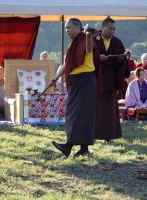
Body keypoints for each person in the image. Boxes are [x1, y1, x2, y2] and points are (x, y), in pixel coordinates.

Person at [51, 18, 100, 157]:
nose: (67, 30)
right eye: (66, 28)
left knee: (79, 113)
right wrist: (55, 77)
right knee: (75, 112)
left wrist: (89, 36)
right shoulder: (72, 45)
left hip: (85, 80)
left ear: (78, 27)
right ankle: (83, 149)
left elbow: (89, 49)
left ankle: (68, 146)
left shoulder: (86, 38)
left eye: (70, 27)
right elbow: (66, 63)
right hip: (74, 81)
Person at [93, 17, 126, 143]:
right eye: (110, 29)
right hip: (96, 79)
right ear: (102, 27)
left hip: (110, 80)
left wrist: (121, 59)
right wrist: (97, 58)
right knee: (95, 109)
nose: (112, 31)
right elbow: (86, 56)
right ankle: (93, 134)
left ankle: (109, 135)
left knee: (109, 109)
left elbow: (123, 60)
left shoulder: (117, 42)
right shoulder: (93, 40)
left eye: (114, 29)